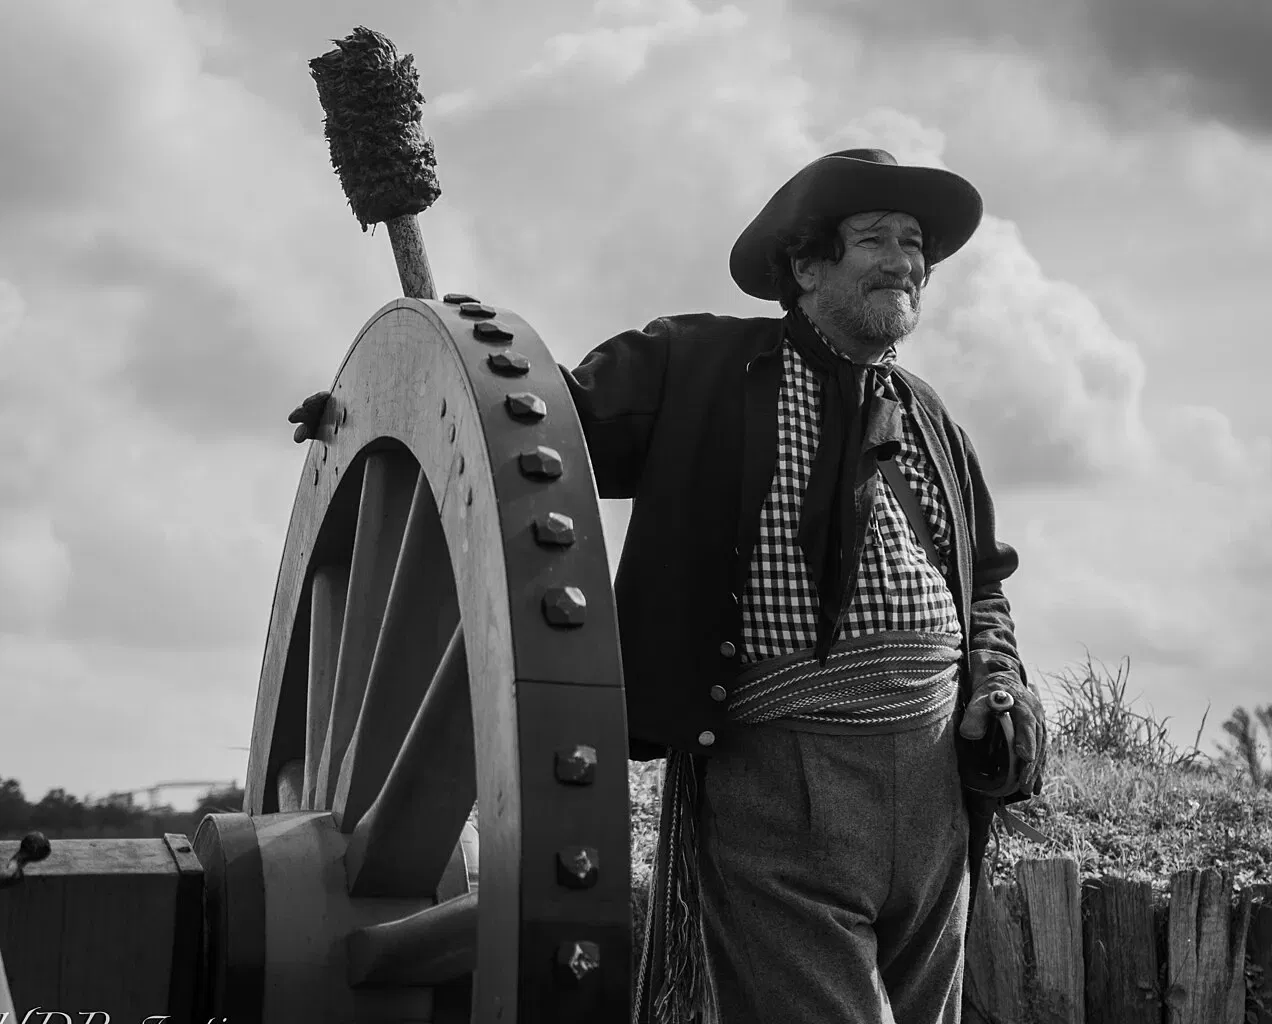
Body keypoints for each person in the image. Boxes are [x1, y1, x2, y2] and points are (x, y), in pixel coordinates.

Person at [560, 148, 1047, 1024]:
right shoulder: (696, 366)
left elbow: (986, 586)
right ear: (806, 262)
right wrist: (426, 370)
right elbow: (539, 425)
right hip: (779, 773)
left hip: (937, 781)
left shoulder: (933, 416)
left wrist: (997, 680)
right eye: (875, 239)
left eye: (914, 243)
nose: (905, 260)